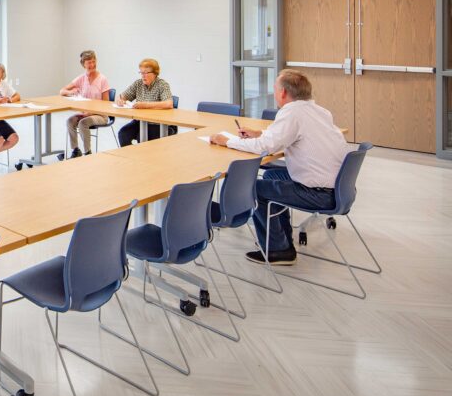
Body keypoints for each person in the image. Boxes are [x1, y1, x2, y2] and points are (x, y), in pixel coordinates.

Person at [210, 69, 350, 265]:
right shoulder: (318, 111)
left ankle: (278, 249)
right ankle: (280, 239)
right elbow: (282, 136)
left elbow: (263, 148)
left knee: (254, 188)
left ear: (283, 92)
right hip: (337, 188)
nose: (274, 92)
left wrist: (227, 141)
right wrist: (260, 133)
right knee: (271, 176)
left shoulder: (292, 112)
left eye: (275, 88)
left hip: (319, 193)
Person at [59, 50, 110, 158]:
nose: (92, 65)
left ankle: (88, 153)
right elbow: (62, 91)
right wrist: (70, 92)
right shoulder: (81, 78)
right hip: (84, 113)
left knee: (83, 123)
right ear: (83, 65)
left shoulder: (102, 79)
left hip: (100, 115)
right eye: (89, 63)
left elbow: (106, 105)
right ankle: (76, 150)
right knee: (69, 121)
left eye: (93, 61)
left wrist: (90, 113)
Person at [115, 58, 177, 147]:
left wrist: (145, 105)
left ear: (155, 73)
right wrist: (119, 100)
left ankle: (143, 159)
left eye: (146, 73)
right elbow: (123, 96)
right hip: (140, 121)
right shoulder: (138, 84)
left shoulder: (162, 85)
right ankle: (131, 159)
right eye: (141, 72)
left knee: (142, 139)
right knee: (123, 134)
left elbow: (169, 103)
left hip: (157, 123)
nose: (143, 76)